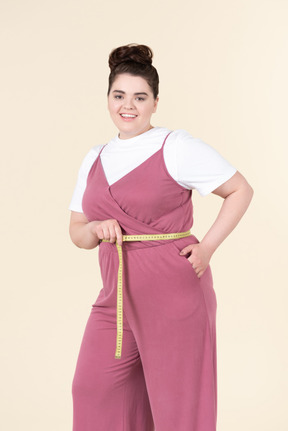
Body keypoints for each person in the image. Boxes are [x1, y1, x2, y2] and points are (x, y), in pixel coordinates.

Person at [68, 43, 253, 431]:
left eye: (139, 97)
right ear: (107, 99)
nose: (128, 105)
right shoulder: (95, 157)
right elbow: (78, 234)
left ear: (154, 102)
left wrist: (208, 247)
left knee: (177, 409)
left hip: (174, 294)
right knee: (92, 389)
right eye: (119, 95)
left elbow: (240, 190)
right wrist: (93, 229)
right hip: (115, 298)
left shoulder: (176, 146)